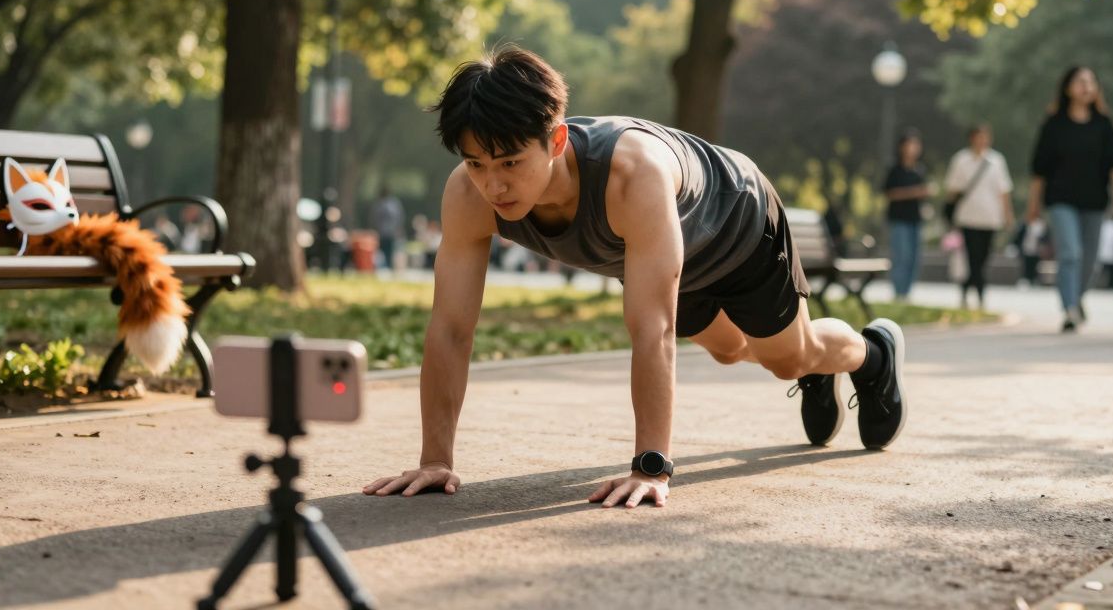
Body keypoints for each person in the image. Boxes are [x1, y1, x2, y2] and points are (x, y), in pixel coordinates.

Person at [363, 47, 908, 508]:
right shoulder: (468, 195)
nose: (494, 185)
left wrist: (651, 466)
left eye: (510, 162)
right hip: (668, 253)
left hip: (738, 226)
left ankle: (873, 355)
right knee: (728, 350)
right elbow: (451, 328)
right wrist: (435, 461)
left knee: (788, 357)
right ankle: (818, 366)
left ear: (556, 140)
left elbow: (653, 329)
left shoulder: (630, 176)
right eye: (477, 163)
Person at [1026, 66, 1113, 332]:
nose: (1086, 86)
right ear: (1068, 88)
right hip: (1060, 199)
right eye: (1080, 81)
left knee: (1091, 260)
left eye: (1091, 81)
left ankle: (1077, 297)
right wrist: (1033, 204)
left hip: (1094, 200)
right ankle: (1070, 308)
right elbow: (1039, 169)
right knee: (1070, 252)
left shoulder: (1103, 124)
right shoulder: (1054, 124)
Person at [943, 125, 1014, 310]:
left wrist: (1008, 215)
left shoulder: (997, 161)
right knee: (971, 257)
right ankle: (978, 292)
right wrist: (949, 215)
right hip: (967, 218)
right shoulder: (961, 160)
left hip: (990, 219)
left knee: (982, 258)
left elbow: (1004, 191)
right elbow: (952, 190)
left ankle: (968, 288)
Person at [882, 129, 929, 302]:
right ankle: (898, 293)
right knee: (901, 256)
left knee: (914, 258)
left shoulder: (920, 170)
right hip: (898, 220)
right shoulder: (895, 169)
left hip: (915, 219)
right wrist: (913, 192)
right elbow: (889, 193)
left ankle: (906, 294)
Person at [371, 189, 406, 273]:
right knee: (388, 251)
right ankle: (388, 267)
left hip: (385, 232)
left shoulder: (380, 204)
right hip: (388, 232)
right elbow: (399, 217)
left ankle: (387, 267)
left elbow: (375, 219)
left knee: (386, 251)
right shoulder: (394, 204)